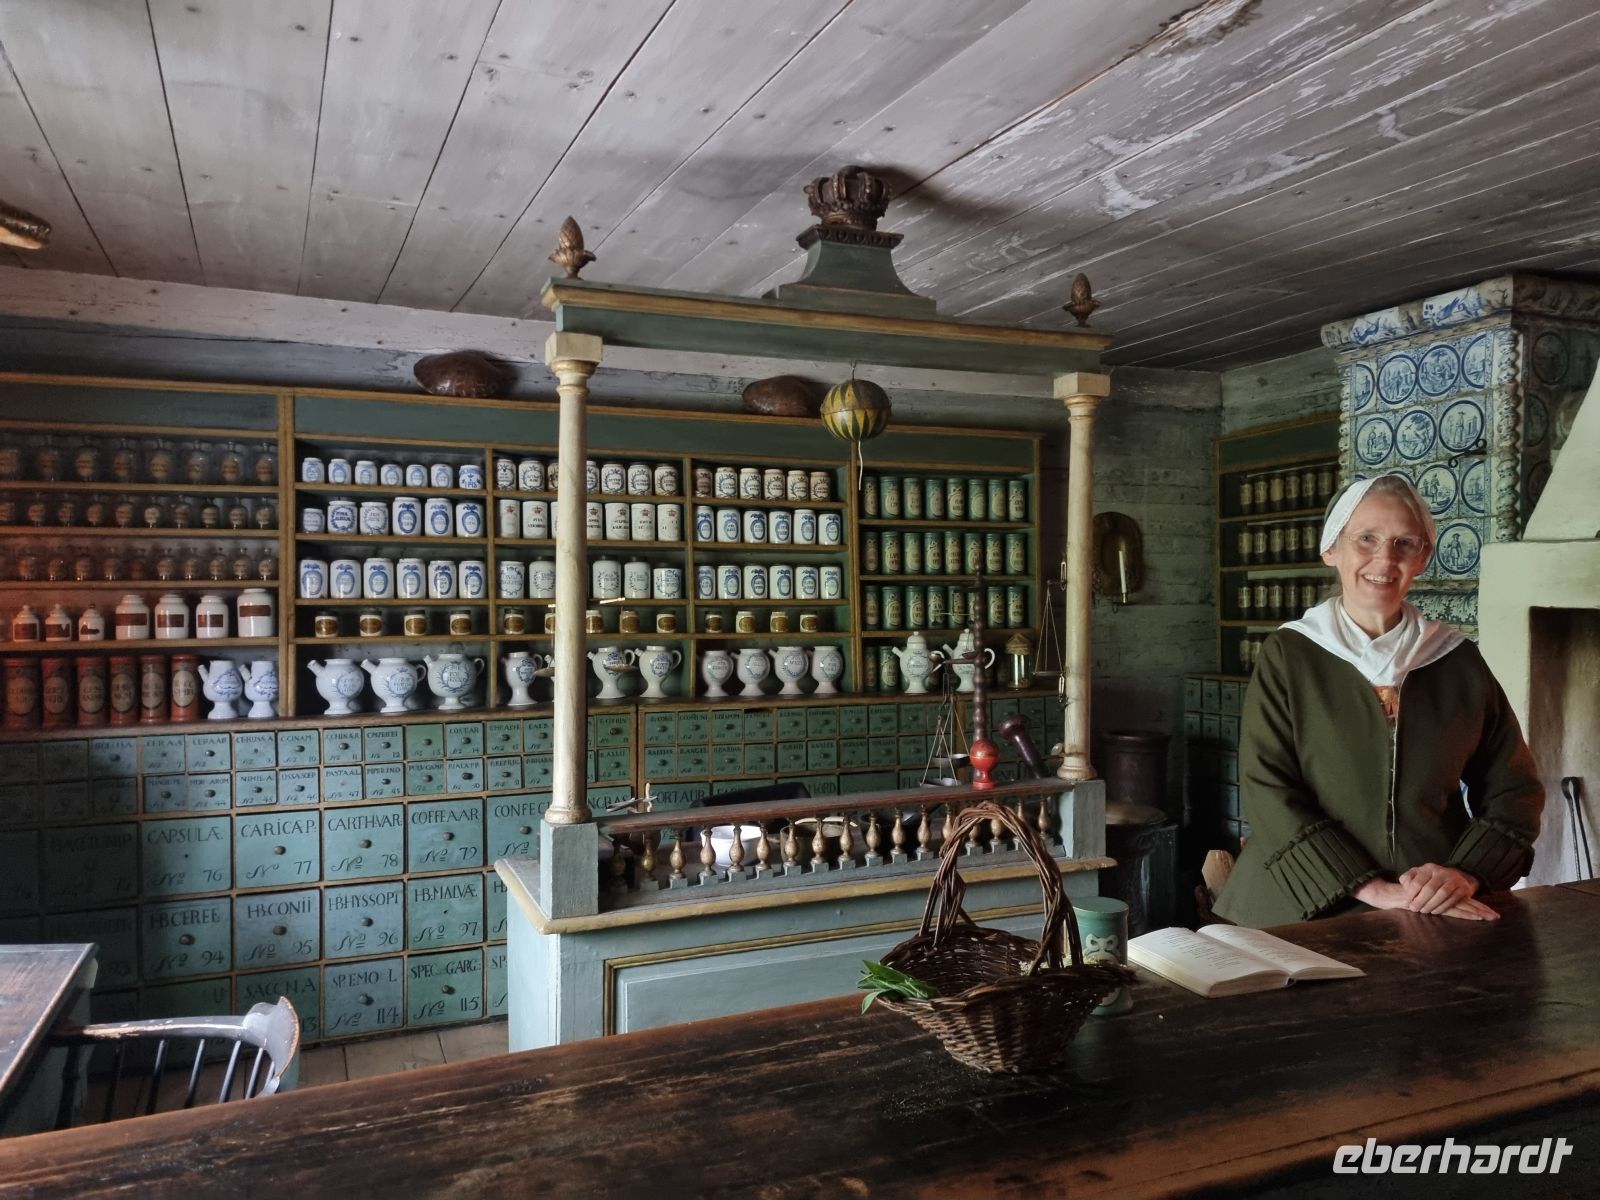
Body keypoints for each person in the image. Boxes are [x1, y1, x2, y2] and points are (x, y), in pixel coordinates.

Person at [1214, 474, 1543, 928]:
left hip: (1428, 904)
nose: (1384, 559)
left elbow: (1515, 790)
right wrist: (1372, 889)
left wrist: (1466, 873)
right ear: (1332, 549)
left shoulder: (1456, 659)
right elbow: (1266, 786)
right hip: (1302, 907)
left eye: (1405, 543)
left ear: (1423, 558)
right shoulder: (1291, 654)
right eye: (1366, 539)